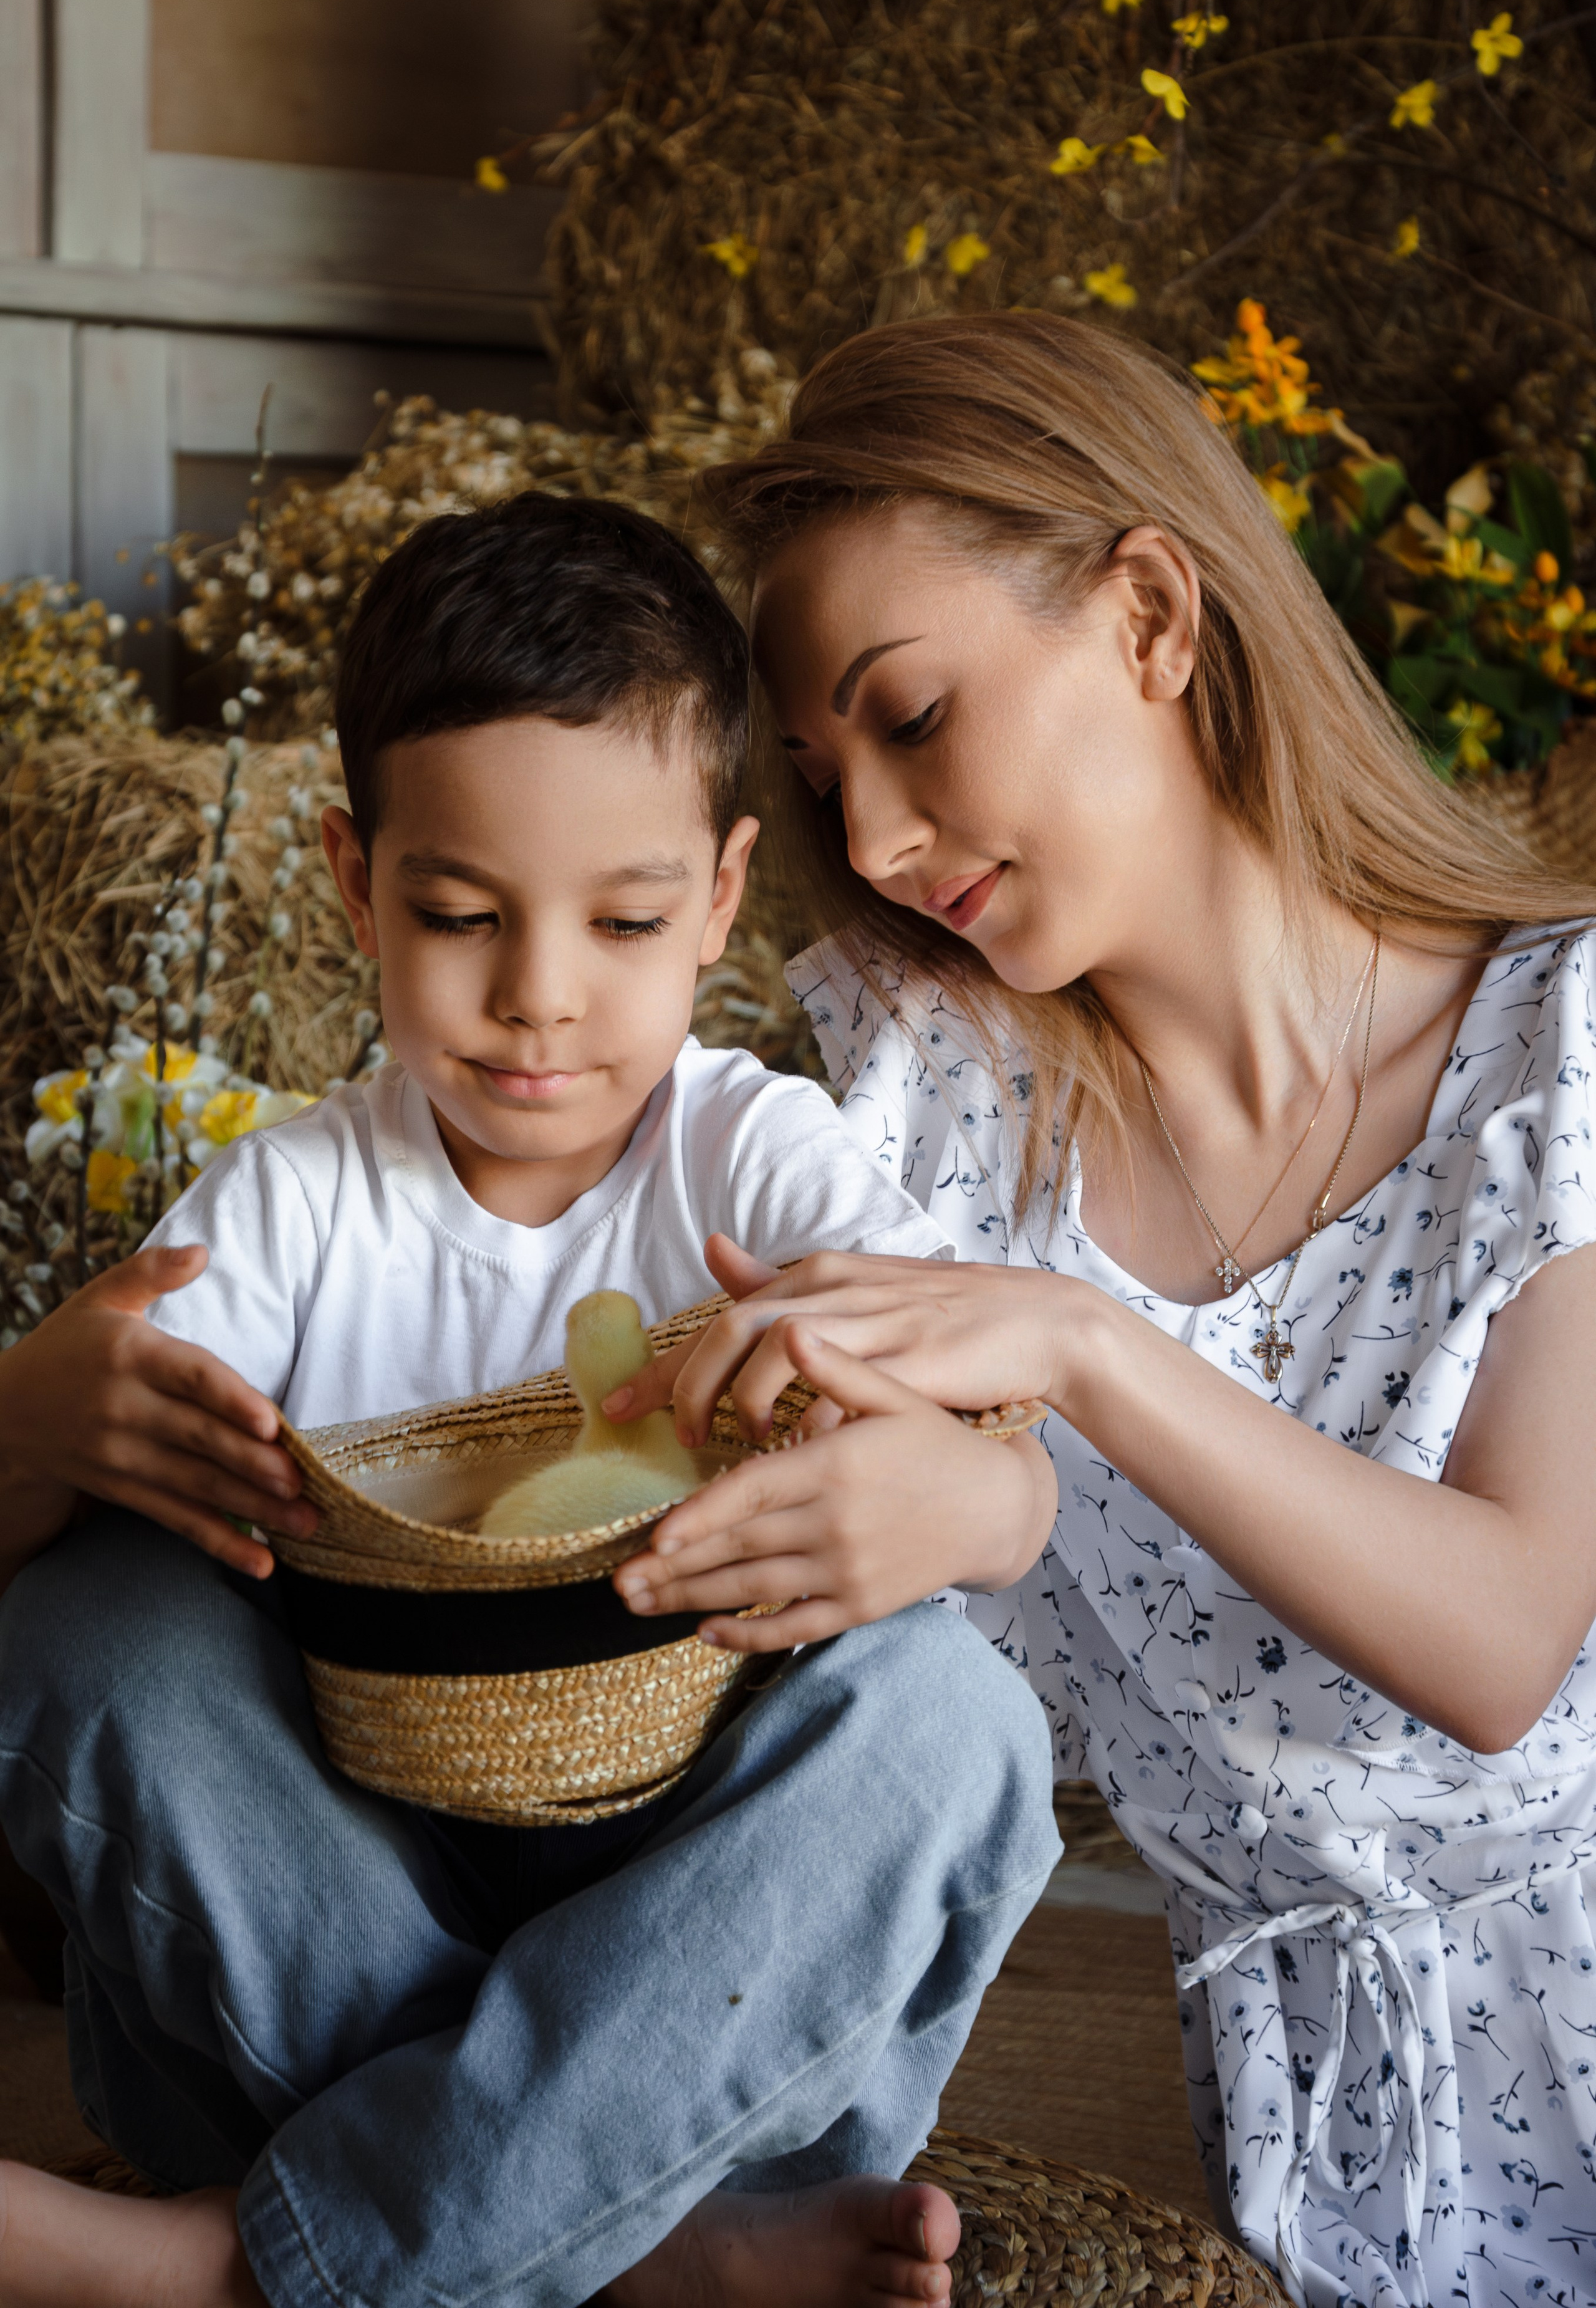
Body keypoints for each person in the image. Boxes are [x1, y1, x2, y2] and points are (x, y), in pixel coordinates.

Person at [599, 312, 1596, 2308]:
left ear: (1151, 610)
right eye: (821, 771)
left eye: (913, 715)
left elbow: (1501, 1642)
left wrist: (1075, 1345)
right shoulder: (923, 1095)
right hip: (1298, 2160)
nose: (871, 838)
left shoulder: (1556, 1045)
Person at [0, 493, 1062, 2308]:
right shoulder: (294, 1207)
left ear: (721, 896)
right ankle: (634, 2239)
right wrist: (24, 1423)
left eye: (627, 919)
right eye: (460, 913)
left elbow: (1003, 1438)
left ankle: (260, 2272)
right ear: (354, 880)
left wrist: (977, 1505)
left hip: (696, 1943)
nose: (539, 1002)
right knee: (93, 1624)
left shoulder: (762, 1159)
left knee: (959, 1723)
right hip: (330, 1909)